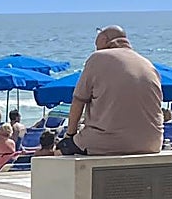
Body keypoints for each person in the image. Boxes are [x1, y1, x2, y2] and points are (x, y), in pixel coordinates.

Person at [59, 26, 163, 156]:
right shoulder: (148, 64)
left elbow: (78, 101)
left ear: (103, 39)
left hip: (106, 142)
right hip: (151, 143)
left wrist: (70, 135)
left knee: (60, 150)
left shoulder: (97, 57)